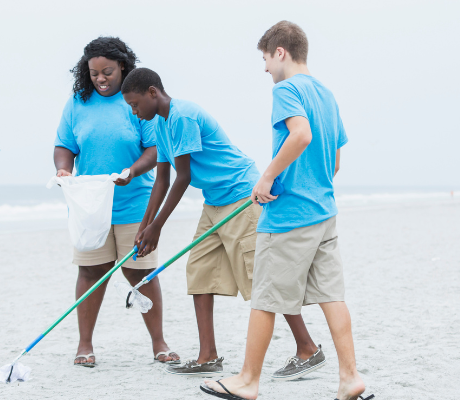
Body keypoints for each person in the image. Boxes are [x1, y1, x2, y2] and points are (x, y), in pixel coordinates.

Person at [200, 21, 372, 400]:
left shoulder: (287, 89)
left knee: (265, 299)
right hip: (324, 212)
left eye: (264, 58)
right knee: (332, 296)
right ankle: (350, 377)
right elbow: (335, 162)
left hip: (289, 216)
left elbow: (301, 135)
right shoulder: (326, 94)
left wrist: (266, 179)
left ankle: (247, 380)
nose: (264, 69)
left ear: (280, 52)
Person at [121, 67, 322, 377]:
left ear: (152, 92)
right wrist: (143, 228)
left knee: (261, 277)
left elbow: (183, 177)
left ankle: (307, 347)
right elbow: (162, 179)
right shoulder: (160, 125)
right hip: (214, 201)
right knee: (199, 271)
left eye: (135, 104)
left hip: (241, 197)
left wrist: (157, 228)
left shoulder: (182, 116)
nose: (134, 113)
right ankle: (207, 356)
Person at [54, 37, 179, 366]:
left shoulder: (134, 100)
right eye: (94, 73)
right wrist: (63, 169)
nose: (100, 79)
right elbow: (64, 145)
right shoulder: (78, 102)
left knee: (141, 273)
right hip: (91, 206)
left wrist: (131, 171)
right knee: (90, 271)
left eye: (107, 71)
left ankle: (159, 343)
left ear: (123, 66)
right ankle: (85, 345)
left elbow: (155, 150)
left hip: (134, 202)